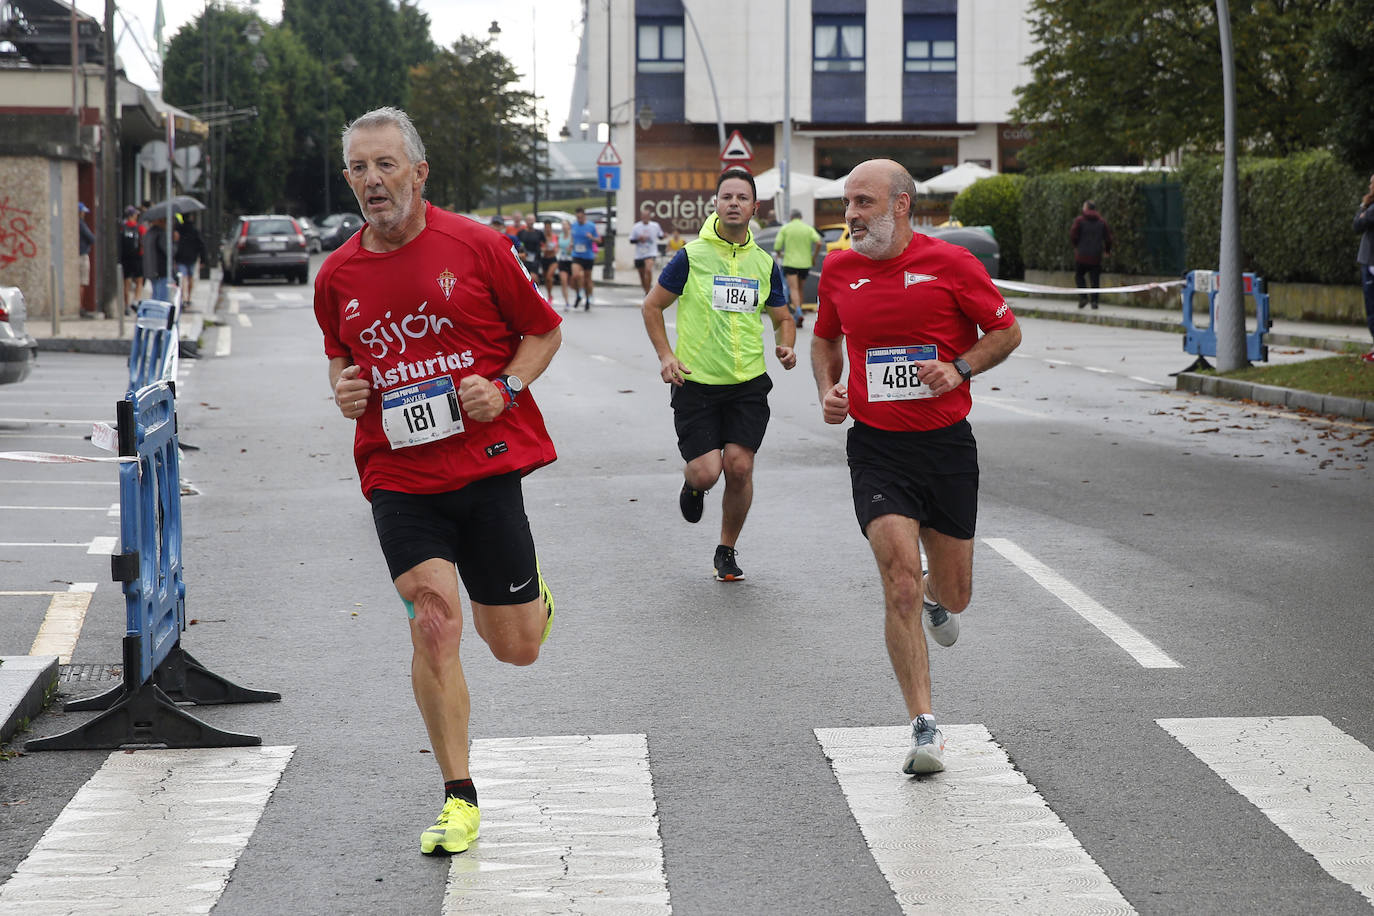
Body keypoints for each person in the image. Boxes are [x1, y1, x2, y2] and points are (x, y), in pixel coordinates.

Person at [313, 106, 562, 857]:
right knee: (434, 620)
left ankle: (533, 599)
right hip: (397, 471)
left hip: (484, 466)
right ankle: (459, 796)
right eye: (358, 167)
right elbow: (340, 355)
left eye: (385, 165)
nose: (371, 180)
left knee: (515, 647)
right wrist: (344, 388)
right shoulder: (337, 275)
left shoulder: (479, 247)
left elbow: (543, 331)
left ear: (419, 173)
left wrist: (507, 388)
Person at [810, 159, 1021, 774]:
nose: (851, 215)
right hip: (876, 449)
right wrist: (830, 387)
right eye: (848, 202)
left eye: (864, 203)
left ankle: (937, 596)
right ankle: (924, 726)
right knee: (898, 579)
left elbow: (1005, 331)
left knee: (955, 594)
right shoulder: (839, 269)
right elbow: (825, 338)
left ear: (901, 205)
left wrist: (959, 368)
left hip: (946, 445)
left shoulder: (952, 264)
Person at [641, 167, 796, 581]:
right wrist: (665, 355)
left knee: (740, 467)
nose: (733, 203)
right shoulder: (691, 256)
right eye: (726, 196)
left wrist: (787, 343)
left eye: (741, 198)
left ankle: (726, 549)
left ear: (753, 207)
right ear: (715, 204)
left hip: (748, 382)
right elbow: (652, 306)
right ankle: (693, 486)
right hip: (696, 382)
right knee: (708, 471)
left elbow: (783, 317)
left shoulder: (764, 263)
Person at [773, 209, 823, 329]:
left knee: (793, 288)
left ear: (791, 217)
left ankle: (798, 311)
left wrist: (780, 253)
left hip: (790, 262)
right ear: (801, 217)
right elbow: (819, 242)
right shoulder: (808, 228)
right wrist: (814, 257)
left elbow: (777, 245)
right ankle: (798, 315)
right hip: (805, 263)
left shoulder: (786, 228)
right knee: (800, 289)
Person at [1069, 200, 1113, 309]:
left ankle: (1083, 297)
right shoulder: (1101, 222)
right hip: (1096, 256)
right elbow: (1108, 238)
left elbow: (1073, 234)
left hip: (1082, 254)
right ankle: (1094, 301)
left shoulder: (1080, 220)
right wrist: (1107, 251)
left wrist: (1076, 246)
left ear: (1087, 208)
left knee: (1079, 276)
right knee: (1095, 279)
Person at [1353, 174, 1374, 363]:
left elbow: (1357, 224)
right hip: (1368, 260)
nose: (1369, 186)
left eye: (1372, 183)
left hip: (1371, 261)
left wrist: (1363, 209)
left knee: (1372, 307)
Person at [629, 202, 666, 294]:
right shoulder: (636, 227)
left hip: (651, 252)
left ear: (650, 217)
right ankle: (646, 289)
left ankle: (648, 291)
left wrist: (664, 236)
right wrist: (639, 239)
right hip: (639, 254)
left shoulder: (655, 226)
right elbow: (631, 240)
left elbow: (660, 236)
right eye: (643, 216)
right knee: (641, 275)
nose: (645, 218)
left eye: (647, 216)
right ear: (641, 217)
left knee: (648, 270)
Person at [568, 207, 601, 310]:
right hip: (577, 255)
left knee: (587, 279)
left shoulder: (591, 226)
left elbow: (599, 240)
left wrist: (592, 237)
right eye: (577, 217)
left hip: (588, 256)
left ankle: (588, 298)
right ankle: (580, 292)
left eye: (581, 217)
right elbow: (573, 238)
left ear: (584, 216)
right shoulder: (574, 226)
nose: (579, 219)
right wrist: (571, 244)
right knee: (576, 275)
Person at [175, 213, 207, 303]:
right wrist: (203, 259)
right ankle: (189, 297)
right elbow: (201, 245)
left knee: (183, 277)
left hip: (180, 257)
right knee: (190, 277)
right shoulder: (194, 230)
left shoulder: (178, 229)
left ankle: (184, 297)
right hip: (192, 257)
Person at [119, 205, 145, 311]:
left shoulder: (122, 228)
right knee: (139, 280)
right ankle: (136, 301)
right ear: (133, 215)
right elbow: (143, 242)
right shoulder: (140, 228)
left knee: (127, 282)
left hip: (125, 258)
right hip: (137, 257)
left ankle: (126, 305)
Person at [516, 214, 546, 289]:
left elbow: (544, 243)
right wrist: (520, 253)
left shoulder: (538, 233)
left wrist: (543, 249)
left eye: (532, 220)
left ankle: (536, 292)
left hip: (535, 258)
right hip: (524, 259)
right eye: (529, 220)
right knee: (525, 279)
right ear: (526, 221)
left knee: (533, 277)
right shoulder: (521, 233)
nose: (530, 222)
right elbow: (517, 245)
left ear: (534, 221)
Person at [555, 223, 574, 310]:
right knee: (563, 281)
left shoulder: (572, 236)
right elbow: (558, 247)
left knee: (572, 282)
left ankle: (579, 293)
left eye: (565, 225)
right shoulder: (560, 236)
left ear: (569, 226)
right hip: (562, 260)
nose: (564, 227)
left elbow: (576, 246)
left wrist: (571, 247)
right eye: (562, 225)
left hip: (572, 260)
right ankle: (567, 302)